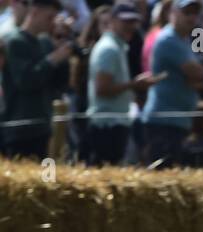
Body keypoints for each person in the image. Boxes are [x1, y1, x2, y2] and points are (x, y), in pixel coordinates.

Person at [86, 2, 156, 164]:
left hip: (113, 123)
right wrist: (134, 85)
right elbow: (102, 88)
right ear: (112, 21)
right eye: (125, 21)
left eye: (133, 21)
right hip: (107, 126)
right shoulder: (109, 49)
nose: (130, 26)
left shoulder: (117, 46)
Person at [0, 0, 71, 158]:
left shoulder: (44, 43)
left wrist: (63, 55)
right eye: (49, 17)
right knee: (22, 181)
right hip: (20, 129)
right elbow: (25, 81)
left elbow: (60, 83)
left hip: (43, 127)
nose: (52, 22)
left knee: (46, 177)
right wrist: (53, 59)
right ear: (35, 12)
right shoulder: (15, 41)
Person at [140, 0, 203, 166]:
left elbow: (201, 77)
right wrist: (194, 76)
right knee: (161, 173)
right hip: (164, 121)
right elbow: (198, 73)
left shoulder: (191, 37)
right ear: (173, 13)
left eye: (195, 13)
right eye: (186, 12)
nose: (191, 17)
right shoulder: (168, 40)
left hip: (178, 121)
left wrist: (196, 75)